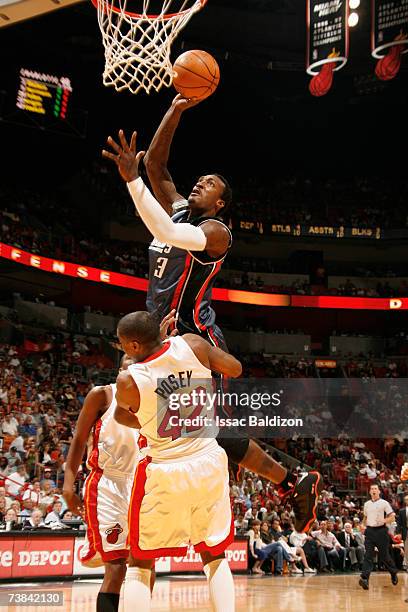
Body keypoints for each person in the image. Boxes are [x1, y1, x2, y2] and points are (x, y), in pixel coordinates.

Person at [102, 125, 322, 533]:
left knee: (207, 429)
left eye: (211, 185)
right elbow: (156, 164)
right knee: (174, 422)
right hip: (159, 337)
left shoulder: (215, 232)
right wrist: (179, 105)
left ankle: (291, 479)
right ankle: (293, 477)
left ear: (220, 203)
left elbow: (166, 230)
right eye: (200, 179)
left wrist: (132, 181)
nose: (201, 183)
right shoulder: (181, 209)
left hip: (193, 336)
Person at [114, 310, 242, 611]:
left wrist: (154, 419)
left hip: (165, 469)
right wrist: (175, 347)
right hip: (208, 461)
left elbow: (121, 415)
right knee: (214, 554)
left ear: (133, 346)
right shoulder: (193, 345)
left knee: (140, 562)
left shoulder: (129, 379)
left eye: (121, 344)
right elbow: (234, 368)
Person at [63, 352, 141, 612]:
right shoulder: (102, 395)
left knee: (140, 564)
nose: (129, 374)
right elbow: (77, 441)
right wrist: (67, 486)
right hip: (106, 484)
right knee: (116, 567)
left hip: (139, 485)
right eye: (125, 368)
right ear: (119, 370)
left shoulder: (151, 403)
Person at [359, 483, 399, 590]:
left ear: (379, 491)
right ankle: (365, 578)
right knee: (368, 554)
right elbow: (365, 517)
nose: (373, 490)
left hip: (381, 531)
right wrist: (362, 525)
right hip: (370, 531)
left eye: (375, 489)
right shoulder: (367, 504)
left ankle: (393, 573)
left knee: (384, 556)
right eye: (372, 489)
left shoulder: (384, 503)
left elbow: (393, 517)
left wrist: (384, 520)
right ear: (369, 492)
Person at [396, 493, 408, 570]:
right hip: (405, 531)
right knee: (407, 548)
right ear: (405, 501)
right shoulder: (402, 511)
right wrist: (398, 533)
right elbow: (399, 523)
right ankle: (407, 565)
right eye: (407, 500)